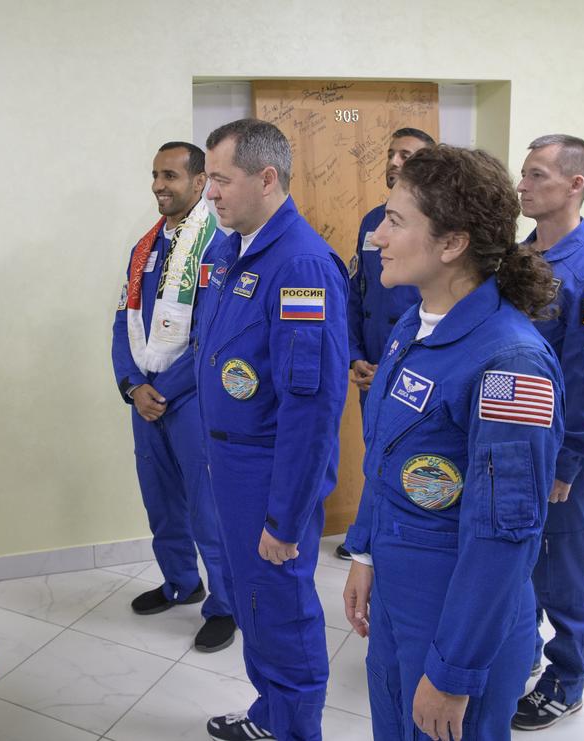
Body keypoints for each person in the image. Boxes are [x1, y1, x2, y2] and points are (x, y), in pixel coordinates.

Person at [341, 144, 566, 741]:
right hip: (397, 591)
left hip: (458, 614)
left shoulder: (510, 363)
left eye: (396, 222)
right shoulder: (413, 325)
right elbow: (387, 455)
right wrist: (362, 552)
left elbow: (505, 534)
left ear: (451, 243)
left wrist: (453, 673)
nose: (379, 237)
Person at [197, 118, 348, 741]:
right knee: (250, 602)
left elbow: (310, 410)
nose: (210, 194)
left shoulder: (302, 265)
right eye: (207, 179)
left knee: (279, 608)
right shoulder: (234, 249)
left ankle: (295, 730)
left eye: (219, 179)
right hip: (229, 466)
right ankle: (271, 715)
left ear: (266, 177)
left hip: (267, 474)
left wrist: (285, 517)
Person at [509, 134, 584, 730]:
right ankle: (523, 654)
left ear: (574, 184)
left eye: (536, 175)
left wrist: (568, 462)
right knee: (521, 556)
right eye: (524, 174)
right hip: (512, 447)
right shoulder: (520, 258)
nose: (522, 185)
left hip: (561, 458)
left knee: (565, 567)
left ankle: (567, 677)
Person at [111, 141, 235, 651]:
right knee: (160, 501)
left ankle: (225, 603)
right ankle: (181, 582)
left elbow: (213, 334)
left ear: (200, 182)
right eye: (155, 175)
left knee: (208, 509)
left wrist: (162, 389)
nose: (160, 185)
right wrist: (132, 386)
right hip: (146, 400)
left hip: (191, 400)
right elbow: (123, 321)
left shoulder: (218, 247)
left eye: (171, 176)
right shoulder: (144, 247)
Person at [338, 126, 435, 561]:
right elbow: (359, 293)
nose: (395, 162)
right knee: (374, 452)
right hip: (372, 364)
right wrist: (356, 354)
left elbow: (437, 311)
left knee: (408, 456)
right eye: (391, 153)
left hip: (413, 369)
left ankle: (391, 541)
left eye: (408, 155)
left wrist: (393, 368)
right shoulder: (370, 222)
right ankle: (369, 535)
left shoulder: (439, 226)